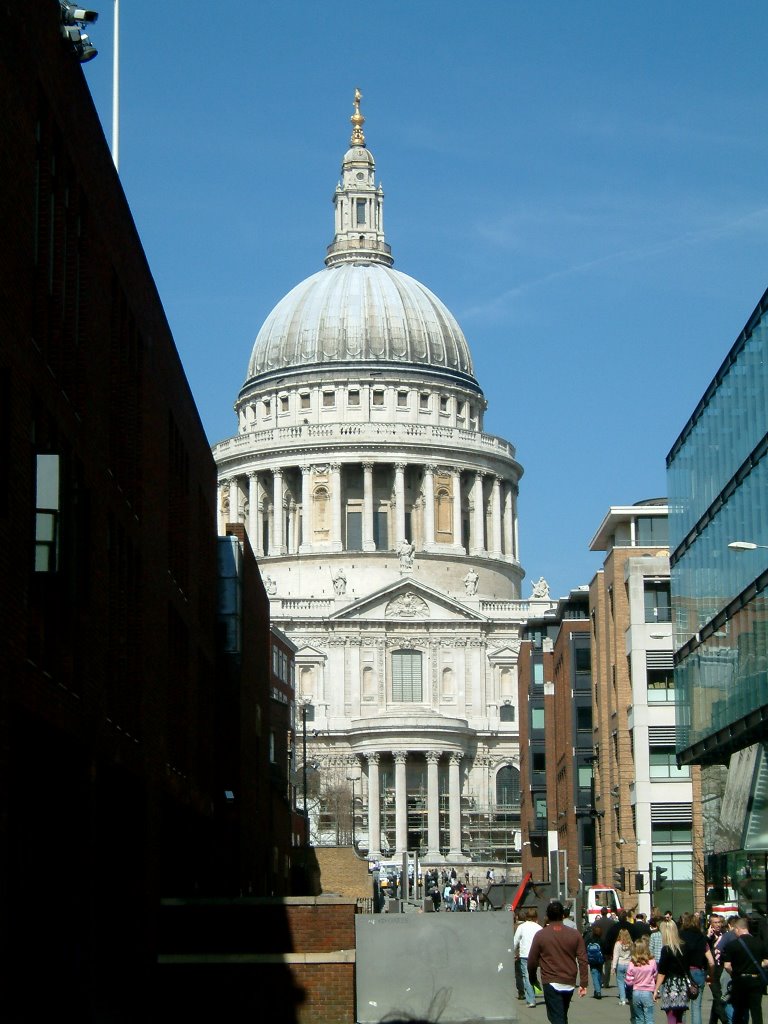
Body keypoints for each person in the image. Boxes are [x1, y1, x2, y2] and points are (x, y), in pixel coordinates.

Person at [527, 900, 588, 1024]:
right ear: (563, 915)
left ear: (548, 916)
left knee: (556, 1017)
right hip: (569, 980)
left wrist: (532, 979)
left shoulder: (541, 935)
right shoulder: (575, 935)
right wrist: (583, 983)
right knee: (561, 1014)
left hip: (551, 980)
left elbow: (532, 961)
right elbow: (583, 959)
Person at [722, 917, 768, 1024]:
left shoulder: (732, 945)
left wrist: (733, 973)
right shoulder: (759, 943)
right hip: (756, 980)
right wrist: (756, 965)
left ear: (737, 929)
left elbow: (727, 966)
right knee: (756, 1011)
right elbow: (766, 962)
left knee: (739, 1010)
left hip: (740, 980)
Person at [680, 910, 715, 1024]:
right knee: (696, 1006)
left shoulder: (680, 937)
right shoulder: (702, 938)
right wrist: (711, 974)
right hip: (699, 971)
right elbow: (711, 961)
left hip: (683, 973)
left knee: (682, 1006)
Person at [653, 918, 691, 1024]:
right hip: (683, 985)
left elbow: (662, 972)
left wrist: (656, 989)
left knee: (671, 1016)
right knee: (679, 1016)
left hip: (670, 985)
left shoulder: (666, 949)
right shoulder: (684, 947)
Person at [514, 907, 543, 1007]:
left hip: (525, 954)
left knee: (526, 976)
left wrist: (513, 952)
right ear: (536, 917)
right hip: (537, 955)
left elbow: (515, 941)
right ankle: (537, 990)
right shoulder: (539, 927)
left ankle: (531, 1000)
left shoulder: (521, 927)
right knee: (533, 974)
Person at [626, 938, 658, 1024]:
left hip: (636, 992)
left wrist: (635, 980)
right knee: (649, 1019)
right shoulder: (652, 962)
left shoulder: (632, 963)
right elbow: (655, 976)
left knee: (639, 1019)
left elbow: (628, 981)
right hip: (647, 992)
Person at [612, 928, 634, 1005]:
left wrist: (613, 967)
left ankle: (622, 999)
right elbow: (633, 954)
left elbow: (615, 956)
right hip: (629, 964)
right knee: (630, 982)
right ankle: (630, 997)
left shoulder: (618, 944)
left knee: (620, 982)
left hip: (620, 964)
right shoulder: (631, 943)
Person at [586, 923, 606, 998]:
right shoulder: (602, 940)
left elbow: (585, 948)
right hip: (600, 960)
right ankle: (598, 989)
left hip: (591, 960)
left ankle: (597, 991)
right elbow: (605, 950)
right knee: (599, 973)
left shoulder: (589, 940)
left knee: (594, 974)